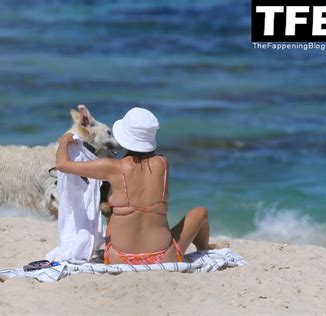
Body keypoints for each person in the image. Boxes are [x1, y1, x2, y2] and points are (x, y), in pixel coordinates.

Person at [55, 107, 219, 264]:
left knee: (114, 202)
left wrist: (64, 141)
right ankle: (204, 248)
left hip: (118, 257)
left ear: (125, 137)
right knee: (200, 212)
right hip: (163, 256)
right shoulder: (163, 163)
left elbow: (62, 165)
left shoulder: (111, 167)